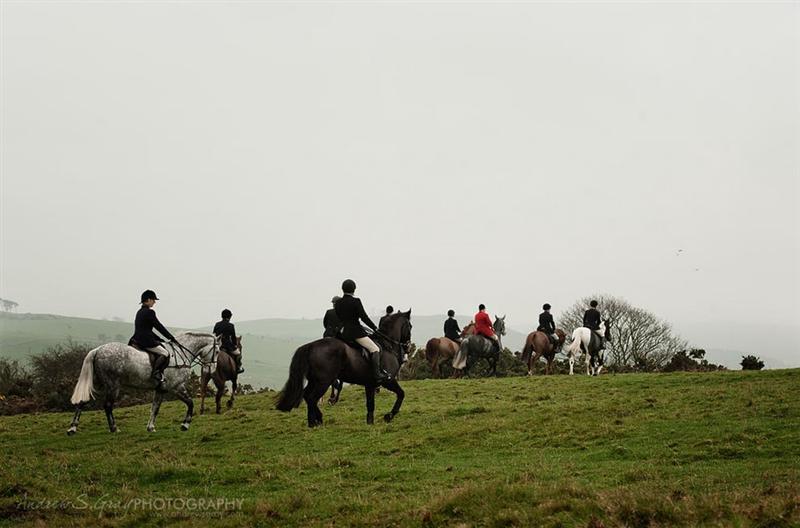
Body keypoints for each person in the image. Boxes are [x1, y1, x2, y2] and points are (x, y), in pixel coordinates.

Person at [334, 279, 389, 382]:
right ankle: (377, 374)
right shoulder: (356, 301)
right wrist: (374, 328)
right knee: (375, 349)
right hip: (355, 333)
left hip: (343, 333)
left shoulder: (338, 303)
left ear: (343, 289)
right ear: (354, 289)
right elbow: (364, 317)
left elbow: (340, 317)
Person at [129, 290, 176, 389]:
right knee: (165, 353)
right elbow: (158, 326)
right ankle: (156, 373)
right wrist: (170, 337)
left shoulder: (139, 312)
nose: (154, 302)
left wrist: (160, 339)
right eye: (153, 300)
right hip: (145, 341)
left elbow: (146, 329)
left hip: (136, 339)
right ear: (148, 300)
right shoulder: (150, 312)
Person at [214, 309, 243, 373]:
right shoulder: (231, 325)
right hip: (227, 346)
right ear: (229, 317)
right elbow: (233, 337)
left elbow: (214, 335)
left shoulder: (217, 324)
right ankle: (238, 367)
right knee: (238, 354)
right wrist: (235, 345)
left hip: (217, 345)